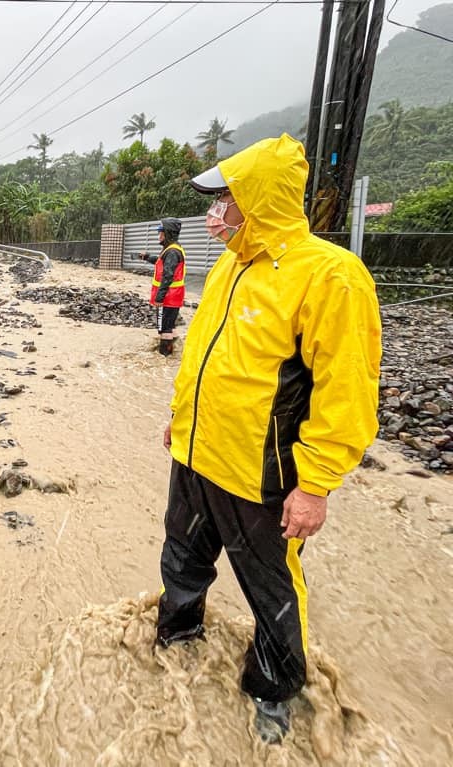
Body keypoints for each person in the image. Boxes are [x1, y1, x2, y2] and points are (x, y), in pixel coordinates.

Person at [154, 134, 382, 744]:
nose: (214, 214)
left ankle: (275, 693)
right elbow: (206, 354)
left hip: (262, 476)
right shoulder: (232, 264)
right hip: (196, 458)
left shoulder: (331, 276)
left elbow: (347, 393)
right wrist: (182, 416)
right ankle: (177, 636)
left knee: (272, 590)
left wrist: (315, 486)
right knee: (182, 558)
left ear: (257, 200)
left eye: (224, 200)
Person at [138, 217, 186, 355]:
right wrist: (147, 257)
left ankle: (164, 354)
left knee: (163, 327)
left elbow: (168, 275)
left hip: (168, 297)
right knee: (169, 324)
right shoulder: (172, 249)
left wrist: (159, 297)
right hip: (174, 295)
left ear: (168, 234)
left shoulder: (171, 252)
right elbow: (161, 262)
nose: (159, 236)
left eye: (161, 233)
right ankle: (175, 347)